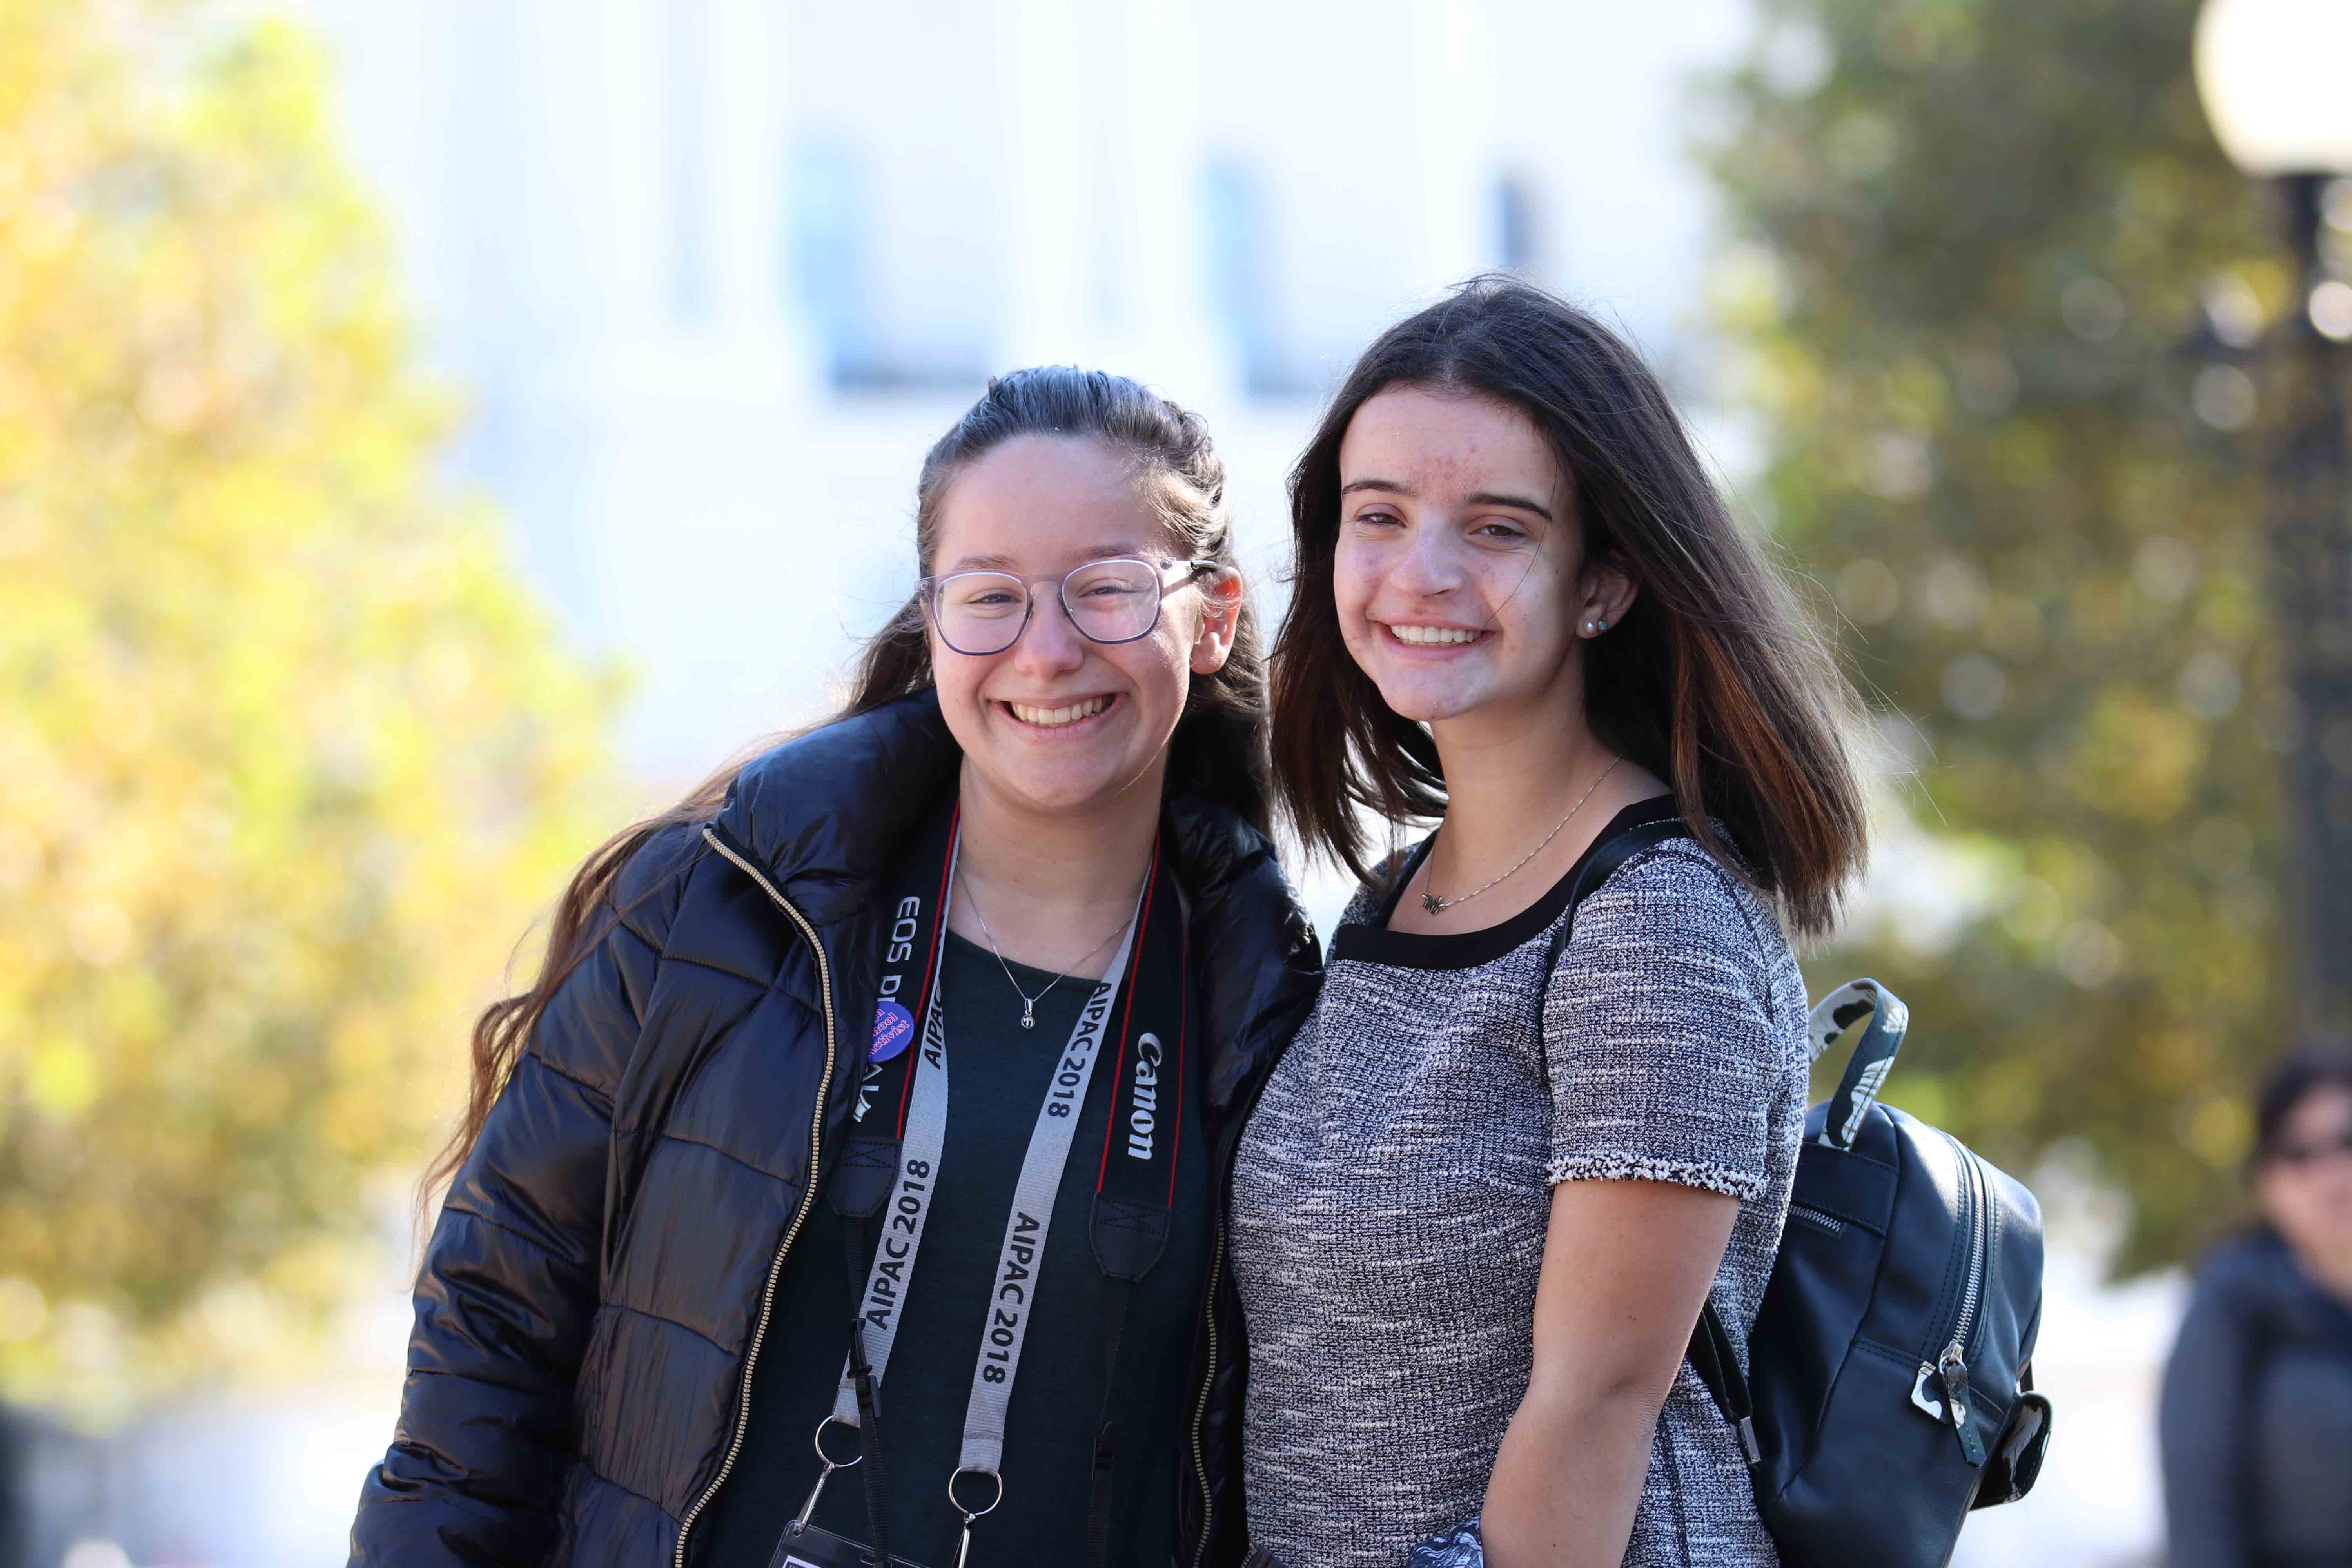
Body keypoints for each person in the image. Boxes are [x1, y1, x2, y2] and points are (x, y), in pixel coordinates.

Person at [348, 368, 1322, 1568]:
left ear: (1214, 613)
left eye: (1108, 592)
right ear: (932, 616)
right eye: (992, 597)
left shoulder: (1274, 1018)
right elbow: (492, 1338)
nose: (1048, 650)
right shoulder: (715, 907)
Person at [1233, 276, 1868, 1568]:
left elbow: (1597, 1408)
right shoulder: (1392, 898)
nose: (1424, 573)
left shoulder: (1654, 927)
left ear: (1603, 584)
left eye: (1498, 528)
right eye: (1380, 517)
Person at [2160, 1046, 2352, 1568]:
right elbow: (2200, 1516)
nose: (2332, 1171)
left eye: (2347, 1141)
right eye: (2299, 1152)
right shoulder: (2234, 1303)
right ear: (2267, 1182)